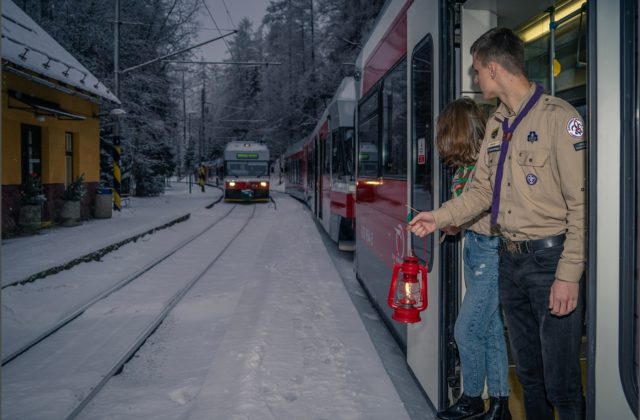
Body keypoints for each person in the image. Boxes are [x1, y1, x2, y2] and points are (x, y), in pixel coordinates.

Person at [409, 27, 586, 420]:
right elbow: (479, 194)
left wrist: (569, 274)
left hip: (549, 263)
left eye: (476, 70)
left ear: (493, 68)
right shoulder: (496, 125)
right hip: (509, 262)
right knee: (528, 374)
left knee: (561, 382)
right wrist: (436, 218)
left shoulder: (561, 118)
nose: (475, 78)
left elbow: (582, 205)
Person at [433, 98, 510, 420]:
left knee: (465, 331)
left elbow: (484, 205)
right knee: (490, 330)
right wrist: (455, 224)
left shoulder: (485, 163)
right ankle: (501, 405)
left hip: (490, 251)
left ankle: (472, 399)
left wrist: (454, 220)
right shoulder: (470, 164)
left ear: (456, 132)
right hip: (478, 248)